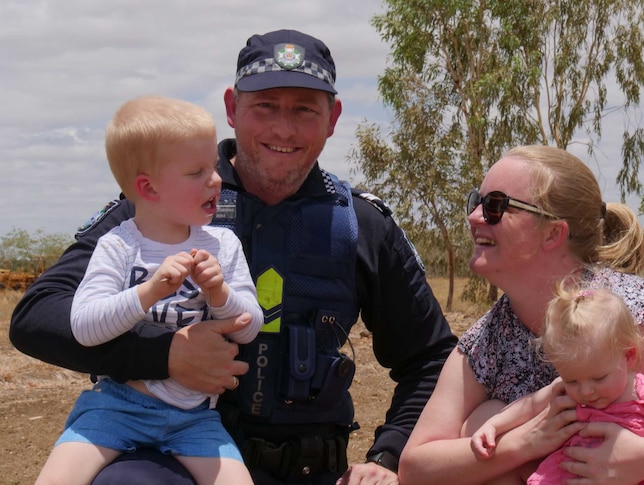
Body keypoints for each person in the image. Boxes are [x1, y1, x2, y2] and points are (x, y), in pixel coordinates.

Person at [10, 29, 456, 485]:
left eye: (304, 108)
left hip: (311, 471)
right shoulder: (163, 203)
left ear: (333, 116)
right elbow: (36, 317)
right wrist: (162, 357)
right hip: (170, 460)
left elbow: (431, 358)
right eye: (265, 106)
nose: (284, 128)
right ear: (232, 108)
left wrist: (388, 456)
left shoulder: (360, 223)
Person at [399, 145, 644, 485]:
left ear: (553, 234)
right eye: (476, 201)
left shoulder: (628, 313)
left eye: (497, 205)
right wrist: (520, 444)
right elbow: (416, 467)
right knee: (481, 424)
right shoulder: (486, 340)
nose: (475, 217)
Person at [34, 95, 264, 485]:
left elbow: (250, 327)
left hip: (195, 419)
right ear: (149, 187)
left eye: (214, 167)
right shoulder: (117, 245)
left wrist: (220, 294)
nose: (216, 180)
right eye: (197, 172)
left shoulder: (223, 246)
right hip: (116, 407)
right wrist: (150, 290)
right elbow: (85, 327)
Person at [470, 284, 644, 485]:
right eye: (573, 380)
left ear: (629, 356)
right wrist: (494, 426)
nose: (586, 391)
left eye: (599, 378)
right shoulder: (564, 392)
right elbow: (527, 408)